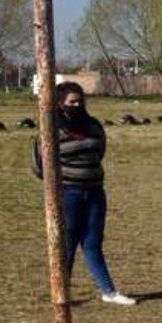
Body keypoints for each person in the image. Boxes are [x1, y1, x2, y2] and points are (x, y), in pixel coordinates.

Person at [31, 81, 135, 305]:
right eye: (71, 102)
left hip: (95, 192)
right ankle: (61, 293)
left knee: (92, 242)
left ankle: (108, 291)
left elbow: (100, 151)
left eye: (80, 101)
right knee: (67, 243)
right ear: (60, 104)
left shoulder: (94, 126)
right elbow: (40, 165)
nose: (76, 105)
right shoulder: (50, 131)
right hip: (67, 194)